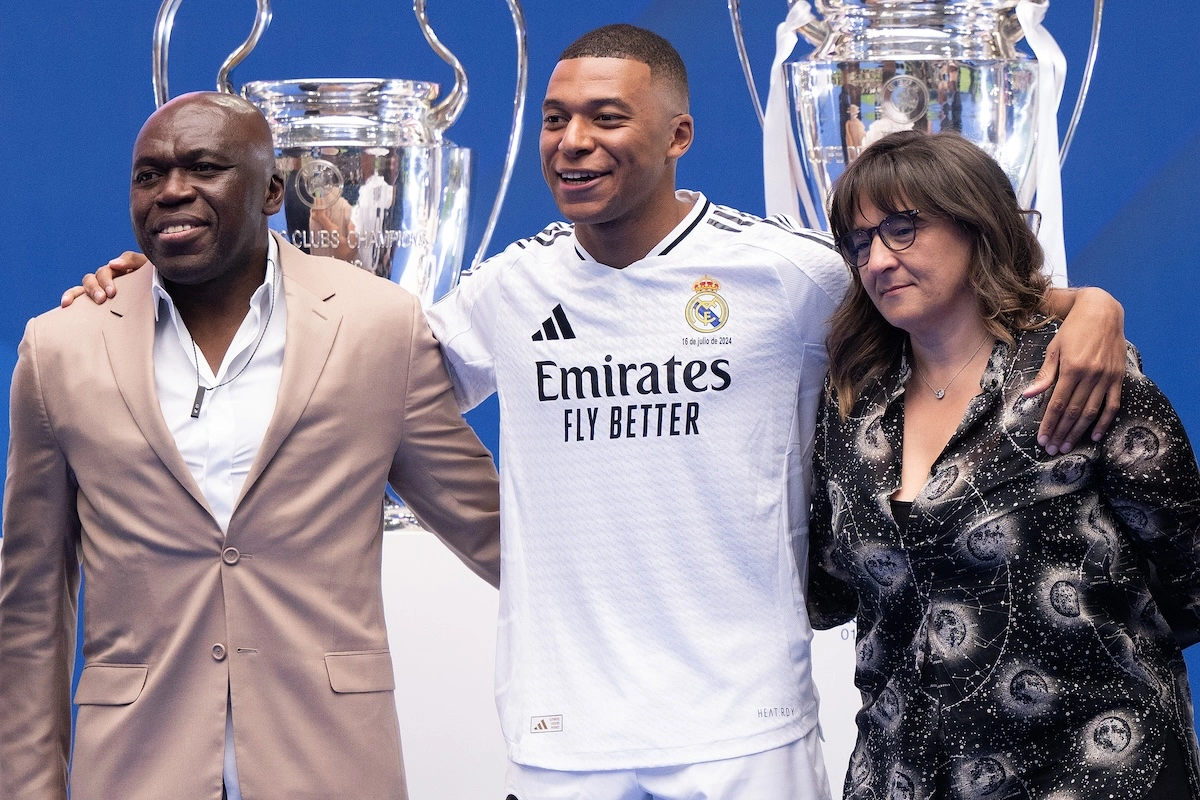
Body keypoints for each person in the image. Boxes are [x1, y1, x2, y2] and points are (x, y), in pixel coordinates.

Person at [64, 26, 1128, 800]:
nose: (572, 140)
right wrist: (160, 279)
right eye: (556, 118)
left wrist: (1090, 306)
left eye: (606, 117)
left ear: (678, 134)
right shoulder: (505, 291)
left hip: (743, 726)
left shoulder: (789, 273)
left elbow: (954, 295)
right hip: (561, 727)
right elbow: (331, 367)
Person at [0, 92, 501, 800]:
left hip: (332, 768)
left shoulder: (377, 326)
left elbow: (496, 532)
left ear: (272, 190)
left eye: (204, 167)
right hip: (136, 771)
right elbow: (29, 610)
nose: (172, 191)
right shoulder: (61, 346)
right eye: (149, 175)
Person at [807, 130, 1200, 799]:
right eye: (859, 242)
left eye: (904, 229)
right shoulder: (852, 404)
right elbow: (832, 593)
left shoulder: (1077, 371)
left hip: (1094, 771)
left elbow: (1189, 585)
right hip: (903, 774)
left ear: (975, 224)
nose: (877, 258)